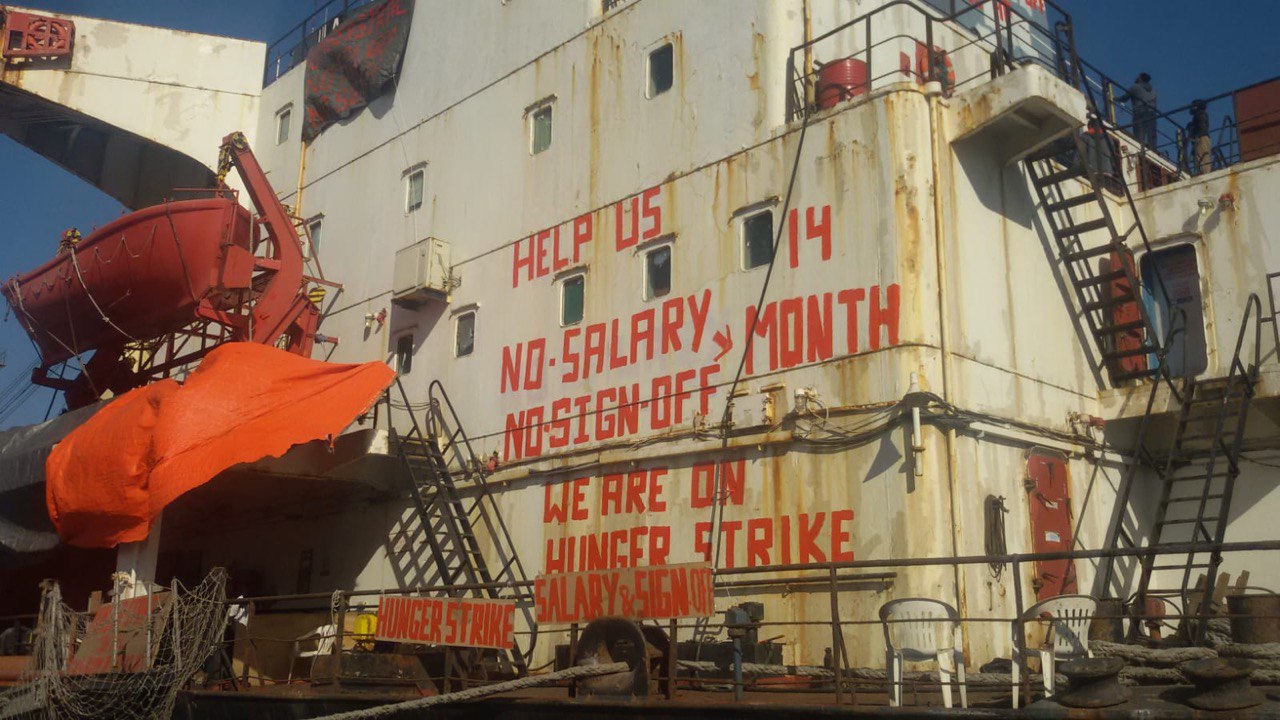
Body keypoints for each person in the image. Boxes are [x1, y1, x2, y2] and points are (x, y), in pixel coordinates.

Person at [1119, 73, 1158, 149]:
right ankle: (1153, 150)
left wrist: (1113, 98)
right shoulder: (1154, 91)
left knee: (1139, 134)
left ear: (1140, 78)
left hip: (1140, 113)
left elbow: (1124, 98)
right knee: (1151, 134)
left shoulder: (1135, 87)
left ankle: (1139, 149)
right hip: (1152, 114)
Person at [1188, 100, 1211, 175]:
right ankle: (1202, 171)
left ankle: (1205, 173)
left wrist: (1192, 127)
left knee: (1202, 156)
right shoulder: (1202, 114)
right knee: (1201, 156)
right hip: (1202, 137)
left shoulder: (1199, 114)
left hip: (1201, 137)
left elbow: (1200, 126)